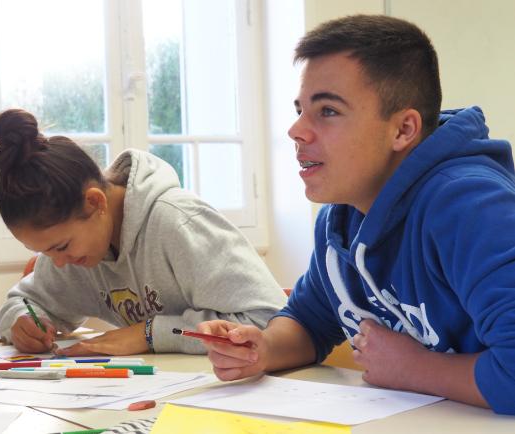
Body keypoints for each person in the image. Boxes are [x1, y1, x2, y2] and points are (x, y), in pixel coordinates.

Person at [198, 14, 515, 415]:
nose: (296, 130)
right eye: (300, 110)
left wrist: (415, 370)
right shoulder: (341, 218)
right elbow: (309, 321)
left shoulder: (470, 207)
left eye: (328, 111)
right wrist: (261, 349)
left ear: (403, 130)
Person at [0, 108, 287, 356]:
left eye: (61, 246)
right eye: (44, 252)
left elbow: (270, 320)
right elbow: (24, 300)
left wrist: (150, 334)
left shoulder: (179, 223)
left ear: (95, 202)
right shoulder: (76, 246)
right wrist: (22, 320)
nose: (57, 263)